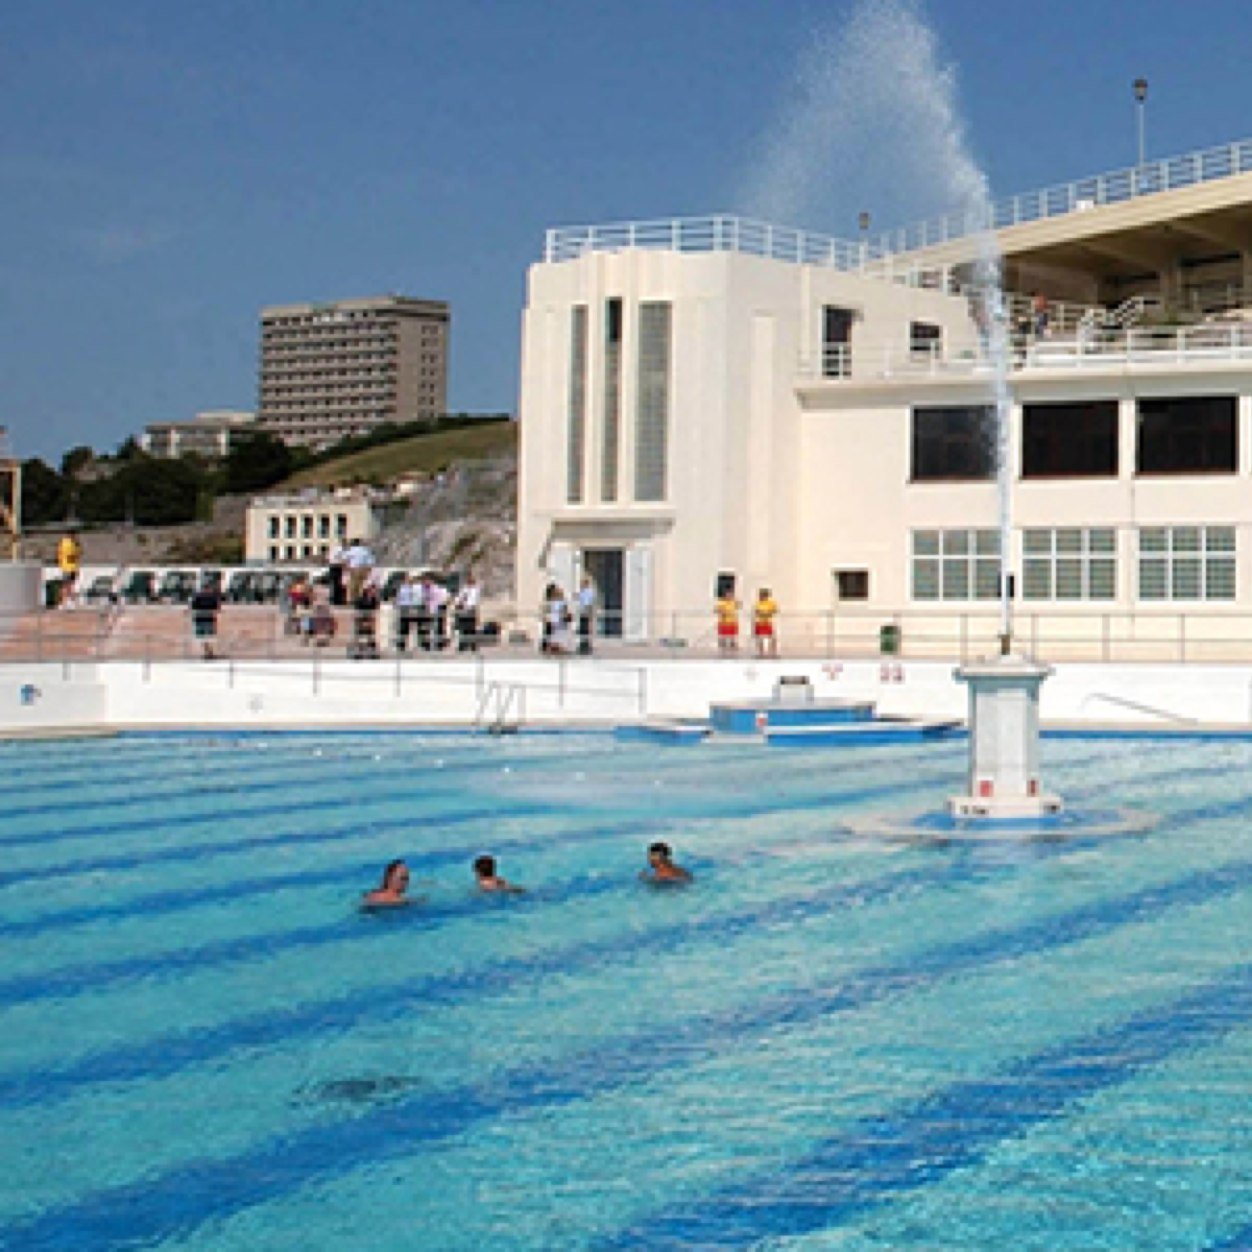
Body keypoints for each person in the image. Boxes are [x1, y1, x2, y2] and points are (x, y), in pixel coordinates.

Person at [189, 577, 222, 660]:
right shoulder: (211, 596)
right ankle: (209, 652)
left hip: (204, 619)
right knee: (205, 637)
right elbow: (218, 608)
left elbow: (192, 606)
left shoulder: (200, 596)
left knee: (206, 637)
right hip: (204, 619)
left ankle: (209, 652)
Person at [453, 574, 481, 652]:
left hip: (471, 610)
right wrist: (460, 603)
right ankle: (462, 645)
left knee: (471, 629)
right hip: (463, 610)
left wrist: (476, 612)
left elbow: (475, 602)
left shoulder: (476, 590)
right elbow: (458, 600)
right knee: (463, 629)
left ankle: (473, 646)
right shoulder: (463, 589)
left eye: (471, 580)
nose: (470, 581)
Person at [56, 529, 82, 608]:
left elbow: (59, 554)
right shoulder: (73, 543)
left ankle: (65, 603)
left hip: (69, 567)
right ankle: (67, 602)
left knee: (67, 586)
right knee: (68, 586)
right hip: (70, 567)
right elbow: (78, 554)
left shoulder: (65, 543)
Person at [394, 573, 419, 653]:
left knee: (410, 627)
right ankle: (401, 645)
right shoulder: (402, 588)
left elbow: (415, 598)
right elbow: (399, 598)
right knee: (402, 627)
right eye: (408, 578)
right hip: (403, 607)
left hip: (410, 607)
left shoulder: (414, 588)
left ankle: (409, 645)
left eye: (410, 579)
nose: (409, 580)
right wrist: (397, 604)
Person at [753, 587, 779, 658]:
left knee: (772, 637)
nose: (762, 596)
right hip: (760, 622)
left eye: (764, 594)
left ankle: (773, 652)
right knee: (760, 638)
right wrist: (764, 613)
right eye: (761, 594)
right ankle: (760, 652)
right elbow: (757, 611)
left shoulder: (771, 603)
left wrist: (767, 613)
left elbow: (774, 611)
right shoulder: (758, 603)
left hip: (768, 622)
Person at [715, 588, 740, 654]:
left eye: (731, 595)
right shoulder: (721, 602)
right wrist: (722, 611)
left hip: (732, 622)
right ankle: (722, 649)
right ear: (725, 595)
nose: (729, 596)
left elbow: (739, 605)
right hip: (724, 622)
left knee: (733, 637)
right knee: (723, 637)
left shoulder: (733, 602)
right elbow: (716, 610)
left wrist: (735, 600)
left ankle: (733, 647)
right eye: (728, 595)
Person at [576, 577, 596, 656]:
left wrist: (588, 613)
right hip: (582, 612)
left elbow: (588, 603)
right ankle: (582, 645)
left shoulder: (588, 592)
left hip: (585, 613)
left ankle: (586, 646)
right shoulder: (583, 592)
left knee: (585, 629)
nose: (580, 585)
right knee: (582, 630)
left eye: (582, 583)